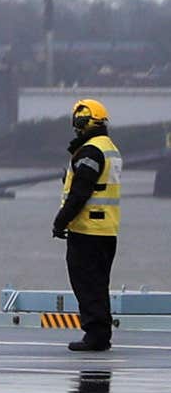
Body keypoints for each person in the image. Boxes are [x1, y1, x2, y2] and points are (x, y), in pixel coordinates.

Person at [50, 97, 123, 353]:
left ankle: (96, 335)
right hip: (107, 231)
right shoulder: (108, 147)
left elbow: (80, 193)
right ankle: (99, 332)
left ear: (82, 122)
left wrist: (60, 221)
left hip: (87, 231)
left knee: (87, 283)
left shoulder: (90, 151)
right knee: (98, 283)